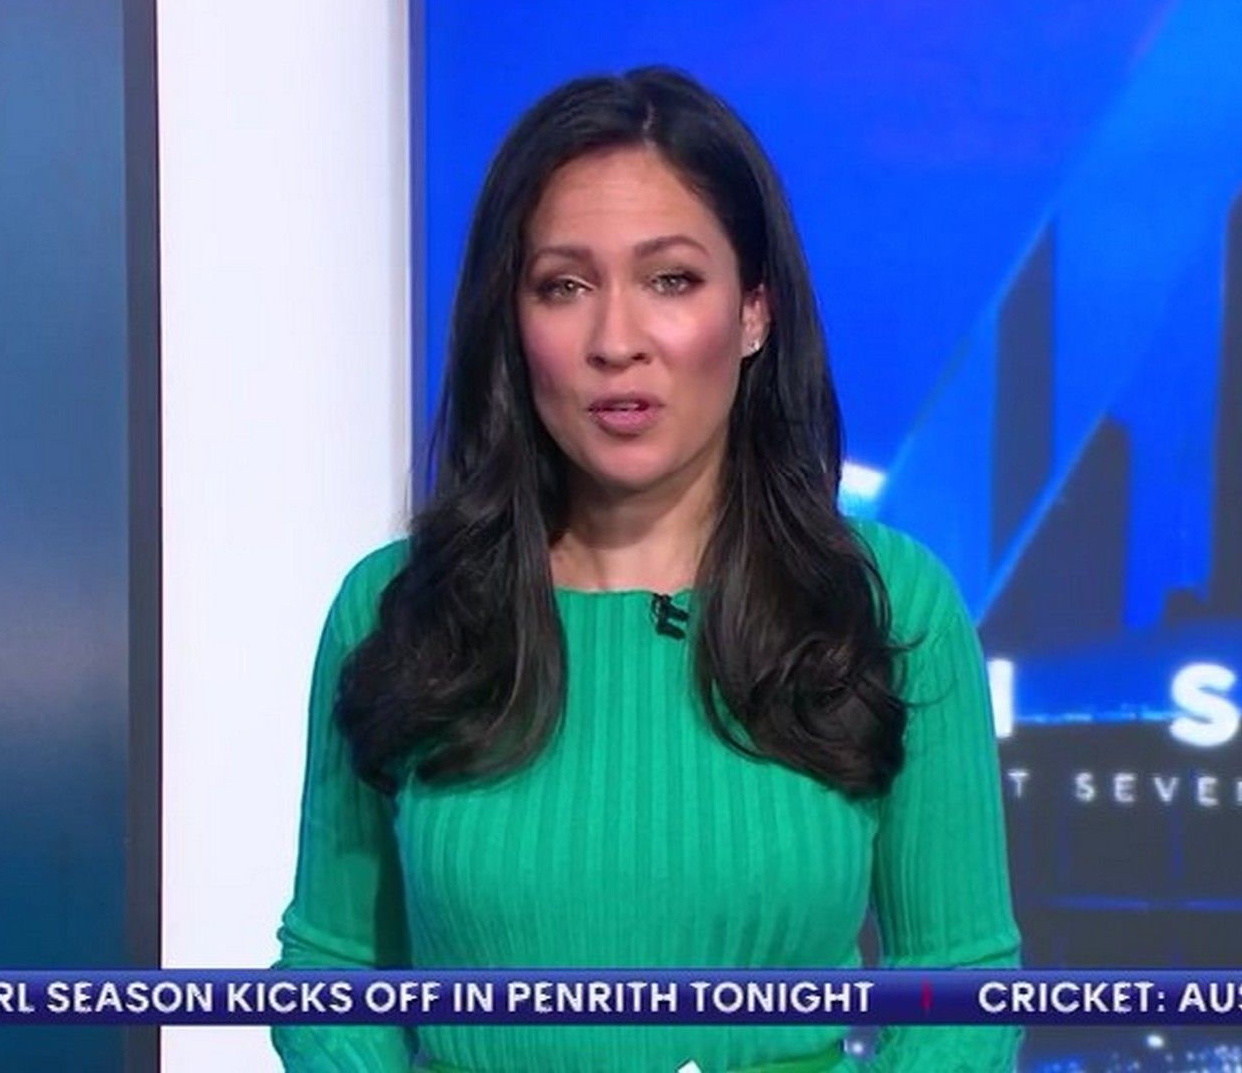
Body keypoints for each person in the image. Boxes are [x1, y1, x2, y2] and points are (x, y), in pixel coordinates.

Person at [272, 66, 1020, 1072]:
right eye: (564, 286)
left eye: (671, 280)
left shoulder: (888, 606)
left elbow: (963, 996)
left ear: (753, 312)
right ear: (512, 321)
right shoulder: (396, 609)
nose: (616, 341)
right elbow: (330, 979)